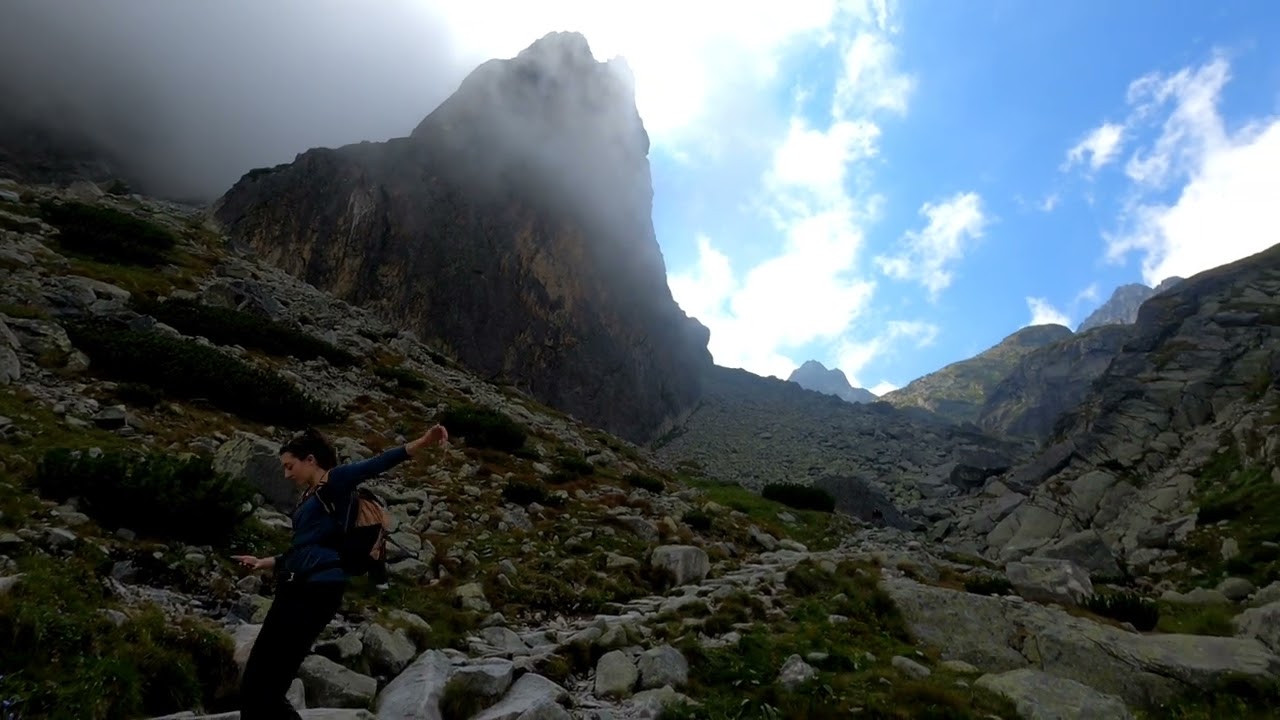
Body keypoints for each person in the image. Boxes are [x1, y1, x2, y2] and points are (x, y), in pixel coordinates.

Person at [231, 424, 448, 719]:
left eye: (289, 466)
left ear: (310, 460)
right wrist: (263, 562)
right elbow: (304, 549)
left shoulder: (335, 481)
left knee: (268, 685)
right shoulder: (310, 496)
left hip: (317, 590)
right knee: (258, 682)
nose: (286, 474)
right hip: (295, 587)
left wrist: (423, 441)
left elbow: (376, 464)